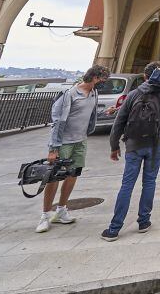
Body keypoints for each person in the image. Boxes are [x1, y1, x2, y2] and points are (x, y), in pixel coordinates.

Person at [101, 61, 160, 241]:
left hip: (133, 144)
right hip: (156, 144)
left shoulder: (133, 94)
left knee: (127, 185)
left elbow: (119, 123)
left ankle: (114, 228)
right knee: (149, 182)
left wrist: (114, 146)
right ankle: (144, 221)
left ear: (145, 76)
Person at [36, 65, 111, 233]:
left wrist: (108, 112)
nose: (104, 83)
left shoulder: (94, 93)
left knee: (72, 175)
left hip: (80, 141)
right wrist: (53, 148)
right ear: (95, 78)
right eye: (103, 80)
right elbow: (57, 121)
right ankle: (45, 215)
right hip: (64, 143)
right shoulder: (69, 94)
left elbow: (90, 115)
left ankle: (61, 210)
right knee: (54, 178)